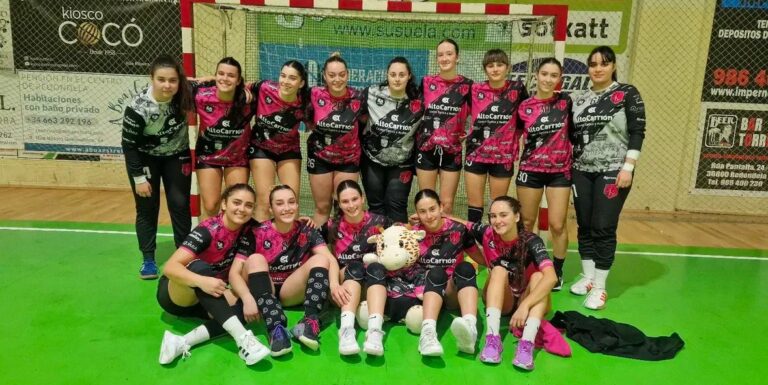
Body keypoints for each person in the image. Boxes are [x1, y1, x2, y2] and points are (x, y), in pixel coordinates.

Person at [156, 184, 269, 366]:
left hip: (211, 296)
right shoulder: (207, 230)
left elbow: (276, 230)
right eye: (237, 202)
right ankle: (244, 341)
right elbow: (170, 268)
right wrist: (201, 282)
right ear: (224, 204)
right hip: (179, 294)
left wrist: (302, 225)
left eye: (248, 205)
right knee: (200, 267)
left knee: (247, 309)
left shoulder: (249, 229)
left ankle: (181, 342)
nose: (242, 209)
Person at [569, 46, 646, 310]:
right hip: (581, 170)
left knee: (603, 227)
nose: (598, 68)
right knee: (584, 225)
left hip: (613, 170)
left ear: (613, 66)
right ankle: (588, 278)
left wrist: (629, 166)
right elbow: (571, 136)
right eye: (593, 64)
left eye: (604, 63)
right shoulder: (578, 99)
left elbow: (637, 131)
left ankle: (601, 287)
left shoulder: (627, 93)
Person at [228, 185, 334, 356]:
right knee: (256, 259)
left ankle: (308, 322)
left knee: (321, 258)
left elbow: (329, 259)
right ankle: (276, 330)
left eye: (291, 202)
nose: (286, 208)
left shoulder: (307, 229)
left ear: (297, 206)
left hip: (290, 290)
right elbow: (234, 273)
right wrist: (246, 298)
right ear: (271, 208)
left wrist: (335, 285)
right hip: (263, 287)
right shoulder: (256, 232)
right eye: (279, 203)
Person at [122, 55, 194, 279]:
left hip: (177, 155)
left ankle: (185, 257)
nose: (167, 85)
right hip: (146, 159)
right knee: (147, 207)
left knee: (180, 205)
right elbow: (129, 145)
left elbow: (208, 81)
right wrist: (138, 178)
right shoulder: (138, 107)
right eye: (161, 79)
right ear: (151, 78)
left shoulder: (184, 93)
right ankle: (148, 260)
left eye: (172, 80)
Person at [468, 196, 557, 370]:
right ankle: (492, 340)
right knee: (499, 270)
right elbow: (462, 222)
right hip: (504, 299)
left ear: (516, 217)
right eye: (493, 216)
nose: (497, 221)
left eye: (503, 215)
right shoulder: (487, 232)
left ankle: (526, 344)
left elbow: (552, 277)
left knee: (539, 277)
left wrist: (525, 306)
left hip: (528, 299)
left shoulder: (532, 241)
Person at [516, 57, 573, 290]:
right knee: (527, 222)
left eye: (553, 75)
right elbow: (512, 135)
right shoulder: (524, 107)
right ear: (536, 76)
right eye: (544, 74)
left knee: (557, 224)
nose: (548, 79)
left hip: (560, 172)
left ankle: (557, 272)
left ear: (559, 79)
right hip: (530, 170)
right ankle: (530, 267)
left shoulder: (566, 103)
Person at [410, 189, 485, 357]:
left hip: (451, 293)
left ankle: (470, 330)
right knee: (436, 273)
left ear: (441, 207)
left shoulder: (458, 230)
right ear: (416, 213)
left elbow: (481, 259)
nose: (429, 216)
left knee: (466, 267)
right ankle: (427, 335)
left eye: (432, 209)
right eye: (422, 211)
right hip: (424, 293)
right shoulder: (413, 234)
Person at [323, 180, 391, 355]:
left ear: (362, 198)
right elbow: (325, 257)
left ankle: (375, 332)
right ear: (338, 203)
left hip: (374, 284)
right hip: (346, 286)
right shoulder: (331, 226)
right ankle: (346, 331)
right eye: (345, 201)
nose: (351, 205)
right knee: (355, 266)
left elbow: (403, 237)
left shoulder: (380, 222)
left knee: (375, 266)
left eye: (355, 199)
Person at [465, 49, 528, 223]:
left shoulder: (517, 89)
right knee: (474, 206)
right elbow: (462, 113)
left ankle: (495, 245)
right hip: (476, 153)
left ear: (507, 68)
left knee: (498, 206)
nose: (495, 69)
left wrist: (512, 141)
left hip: (502, 157)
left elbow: (525, 120)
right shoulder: (475, 89)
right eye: (490, 65)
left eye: (499, 65)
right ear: (485, 69)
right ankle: (474, 246)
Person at [360, 56, 423, 223]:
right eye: (393, 74)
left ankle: (398, 247)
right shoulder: (371, 94)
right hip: (372, 160)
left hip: (402, 163)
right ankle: (378, 246)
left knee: (396, 204)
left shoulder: (419, 102)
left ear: (409, 76)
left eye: (401, 74)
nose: (397, 78)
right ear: (387, 75)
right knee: (376, 206)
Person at [306, 53, 364, 226]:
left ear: (348, 74)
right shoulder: (314, 94)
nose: (337, 79)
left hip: (348, 159)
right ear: (324, 75)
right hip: (320, 157)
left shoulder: (359, 97)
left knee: (344, 208)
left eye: (341, 74)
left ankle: (342, 251)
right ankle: (319, 250)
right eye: (332, 75)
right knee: (322, 208)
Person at [247, 60, 309, 221]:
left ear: (301, 83)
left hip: (289, 150)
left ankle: (289, 244)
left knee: (291, 201)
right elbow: (237, 84)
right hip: (262, 148)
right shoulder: (264, 88)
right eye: (283, 76)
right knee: (264, 200)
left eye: (292, 78)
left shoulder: (305, 102)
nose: (286, 81)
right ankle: (263, 243)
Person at [416, 39, 472, 215]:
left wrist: (469, 132)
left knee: (446, 205)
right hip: (426, 149)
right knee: (426, 203)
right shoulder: (426, 82)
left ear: (457, 57)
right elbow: (413, 110)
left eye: (449, 54)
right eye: (440, 54)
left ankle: (446, 242)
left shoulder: (468, 86)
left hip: (451, 151)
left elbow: (481, 114)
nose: (445, 58)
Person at [192, 57, 253, 218]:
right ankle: (213, 239)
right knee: (211, 206)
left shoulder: (248, 99)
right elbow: (178, 80)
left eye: (231, 76)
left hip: (237, 158)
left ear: (239, 80)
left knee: (236, 206)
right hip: (208, 156)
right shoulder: (201, 96)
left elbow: (268, 87)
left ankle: (233, 241)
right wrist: (211, 79)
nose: (225, 78)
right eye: (221, 74)